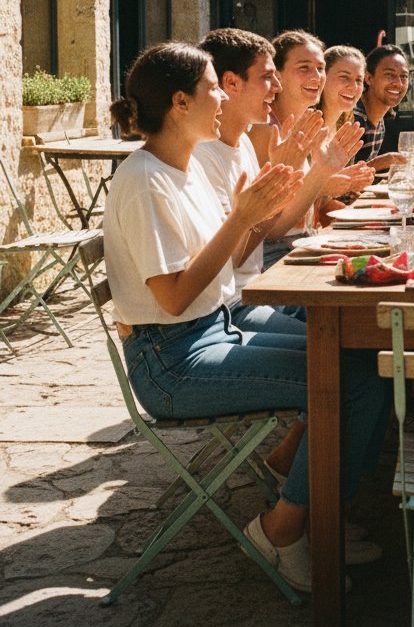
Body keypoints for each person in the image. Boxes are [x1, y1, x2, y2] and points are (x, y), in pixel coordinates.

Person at [104, 43, 392, 594]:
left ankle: (324, 513)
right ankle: (282, 530)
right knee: (351, 383)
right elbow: (173, 299)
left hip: (213, 325)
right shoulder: (143, 179)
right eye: (214, 86)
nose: (222, 95)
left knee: (361, 362)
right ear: (181, 101)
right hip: (171, 360)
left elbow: (235, 259)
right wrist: (242, 215)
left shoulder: (183, 166)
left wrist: (263, 207)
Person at [249, 31, 374, 261]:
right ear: (278, 76)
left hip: (306, 242)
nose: (316, 76)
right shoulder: (265, 130)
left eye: (320, 68)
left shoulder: (308, 126)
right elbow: (267, 230)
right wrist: (324, 182)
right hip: (274, 254)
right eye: (304, 67)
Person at [351, 44, 411, 170]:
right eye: (389, 74)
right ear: (368, 78)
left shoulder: (380, 123)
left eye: (404, 76)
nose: (398, 83)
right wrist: (385, 161)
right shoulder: (354, 119)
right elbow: (338, 178)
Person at [319, 44, 366, 132]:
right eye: (344, 77)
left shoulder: (346, 128)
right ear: (323, 77)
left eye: (358, 80)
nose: (354, 87)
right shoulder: (302, 128)